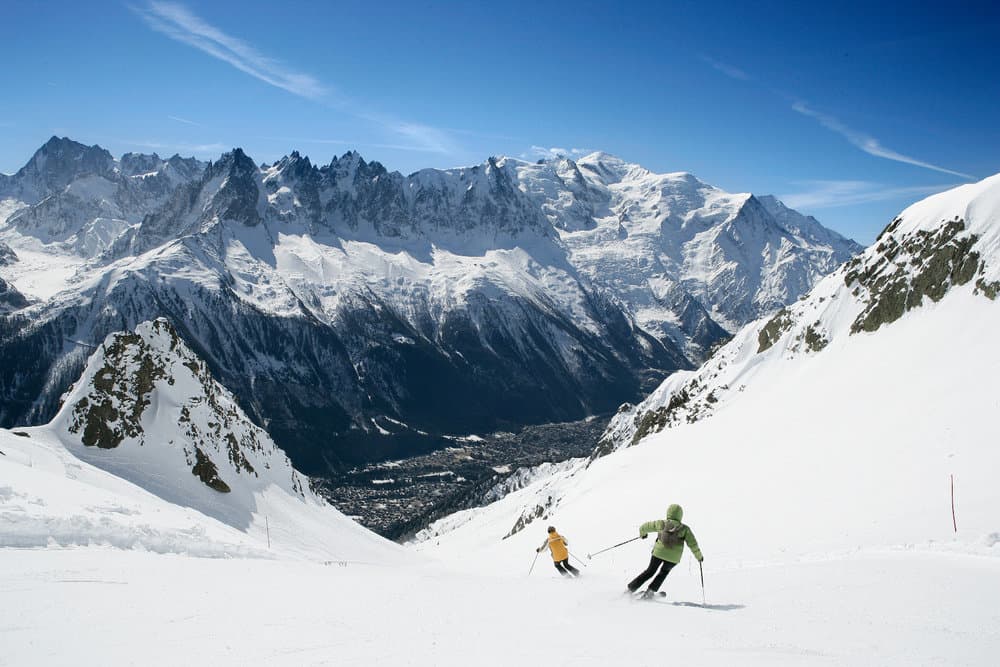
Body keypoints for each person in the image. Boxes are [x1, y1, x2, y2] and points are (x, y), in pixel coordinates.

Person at [627, 503, 702, 598]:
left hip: (658, 554)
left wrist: (643, 534)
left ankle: (630, 590)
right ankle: (650, 592)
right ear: (680, 515)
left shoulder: (661, 523)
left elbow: (644, 527)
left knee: (650, 571)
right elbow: (693, 545)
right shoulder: (685, 529)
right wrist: (699, 557)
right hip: (673, 558)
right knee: (663, 573)